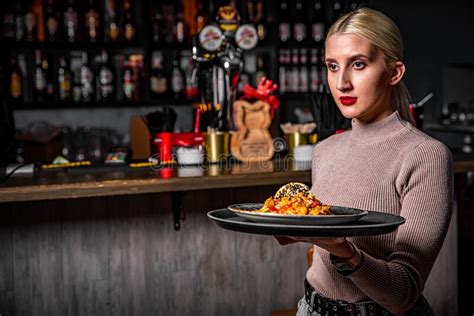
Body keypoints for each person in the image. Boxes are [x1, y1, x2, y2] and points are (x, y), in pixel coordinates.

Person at [276, 7, 453, 316]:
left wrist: (341, 248)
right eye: (332, 66)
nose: (341, 82)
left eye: (358, 64)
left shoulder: (426, 155)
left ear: (394, 72)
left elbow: (404, 293)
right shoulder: (324, 150)